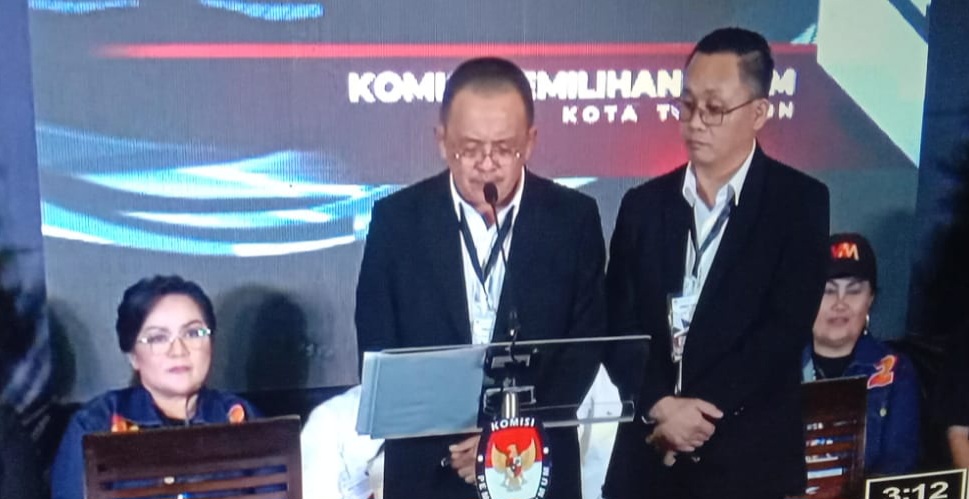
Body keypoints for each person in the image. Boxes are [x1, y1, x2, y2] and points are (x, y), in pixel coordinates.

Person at [354, 56, 606, 499]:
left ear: (530, 141)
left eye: (504, 148)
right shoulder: (397, 222)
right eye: (469, 149)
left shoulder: (572, 221)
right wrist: (461, 440)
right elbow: (379, 347)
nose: (487, 165)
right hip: (431, 472)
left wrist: (507, 438)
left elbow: (582, 348)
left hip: (534, 466)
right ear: (441, 140)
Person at [602, 27, 830, 499]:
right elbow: (617, 323)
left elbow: (782, 330)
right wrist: (661, 406)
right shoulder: (643, 206)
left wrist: (695, 417)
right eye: (687, 105)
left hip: (746, 462)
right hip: (648, 458)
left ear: (759, 113)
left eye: (714, 108)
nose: (695, 122)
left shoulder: (799, 203)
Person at [50, 275, 260, 499]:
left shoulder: (240, 417)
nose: (178, 351)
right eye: (158, 338)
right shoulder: (96, 424)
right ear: (133, 356)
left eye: (193, 333)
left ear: (212, 343)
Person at [802, 233, 920, 475]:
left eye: (854, 291)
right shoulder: (775, 366)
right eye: (828, 290)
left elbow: (897, 466)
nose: (840, 303)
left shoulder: (896, 372)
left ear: (870, 299)